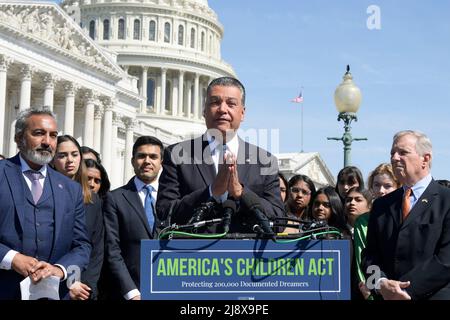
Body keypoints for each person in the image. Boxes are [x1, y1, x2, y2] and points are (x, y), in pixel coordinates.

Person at [156, 77, 285, 234]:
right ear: (204, 110)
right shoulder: (178, 155)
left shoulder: (265, 161)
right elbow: (164, 214)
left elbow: (278, 221)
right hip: (192, 255)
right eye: (215, 102)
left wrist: (241, 193)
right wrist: (211, 192)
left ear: (242, 113)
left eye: (231, 104)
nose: (222, 109)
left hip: (247, 256)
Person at [0, 107, 91, 300]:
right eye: (38, 133)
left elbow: (81, 245)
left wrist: (60, 270)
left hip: (54, 294)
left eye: (53, 135)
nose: (47, 142)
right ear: (19, 138)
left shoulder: (70, 189)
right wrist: (11, 258)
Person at [363, 130, 450, 300]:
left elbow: (446, 260)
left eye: (402, 152)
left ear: (425, 159)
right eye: (392, 153)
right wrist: (380, 283)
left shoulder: (446, 201)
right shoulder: (381, 205)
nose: (394, 158)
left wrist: (404, 290)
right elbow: (369, 256)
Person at [103, 136, 164, 300]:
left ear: (161, 162)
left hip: (167, 288)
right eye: (141, 156)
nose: (147, 161)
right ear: (132, 160)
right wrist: (132, 292)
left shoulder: (172, 198)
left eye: (153, 156)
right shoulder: (115, 198)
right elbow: (112, 250)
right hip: (130, 293)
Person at [52, 135, 104, 300]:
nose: (69, 160)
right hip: (51, 281)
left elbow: (95, 249)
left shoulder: (93, 199)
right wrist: (68, 283)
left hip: (83, 288)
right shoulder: (44, 194)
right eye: (62, 155)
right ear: (52, 159)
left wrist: (84, 286)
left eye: (74, 154)